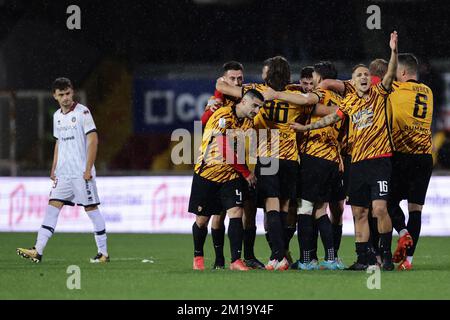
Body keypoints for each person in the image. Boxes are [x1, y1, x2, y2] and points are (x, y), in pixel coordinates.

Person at [290, 31, 399, 271]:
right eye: (358, 74)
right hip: (357, 163)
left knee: (379, 208)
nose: (363, 77)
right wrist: (305, 127)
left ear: (371, 79)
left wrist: (393, 51)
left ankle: (385, 255)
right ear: (352, 81)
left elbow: (390, 74)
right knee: (359, 212)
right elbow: (329, 120)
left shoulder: (379, 94)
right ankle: (363, 259)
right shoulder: (349, 103)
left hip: (379, 161)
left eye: (366, 74)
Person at [217, 56, 332, 270]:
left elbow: (220, 86)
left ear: (268, 74)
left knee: (271, 206)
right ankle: (281, 254)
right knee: (287, 208)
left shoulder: (257, 92)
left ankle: (277, 256)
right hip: (290, 157)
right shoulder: (296, 95)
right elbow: (320, 105)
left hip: (267, 156)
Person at [17, 77, 109, 263]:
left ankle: (103, 253)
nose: (65, 98)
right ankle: (38, 250)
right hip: (64, 174)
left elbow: (93, 140)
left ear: (72, 92)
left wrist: (88, 168)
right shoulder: (57, 116)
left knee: (91, 209)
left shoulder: (83, 112)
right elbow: (59, 142)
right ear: (55, 96)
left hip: (81, 173)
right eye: (61, 95)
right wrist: (54, 168)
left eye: (68, 93)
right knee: (52, 208)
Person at [190, 89, 263, 271]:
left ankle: (235, 260)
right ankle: (198, 256)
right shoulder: (223, 114)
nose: (256, 110)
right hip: (208, 173)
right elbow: (223, 146)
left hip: (230, 175)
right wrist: (246, 173)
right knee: (202, 220)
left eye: (259, 108)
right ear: (244, 102)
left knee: (236, 213)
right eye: (254, 106)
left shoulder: (248, 122)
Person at [388, 53, 433, 270]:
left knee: (386, 201)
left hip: (401, 155)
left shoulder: (395, 90)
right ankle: (408, 261)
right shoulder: (428, 91)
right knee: (416, 209)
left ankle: (402, 232)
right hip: (424, 157)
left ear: (403, 72)